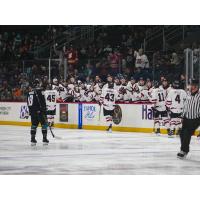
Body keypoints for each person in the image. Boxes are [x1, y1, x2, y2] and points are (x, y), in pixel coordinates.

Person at [177, 79, 200, 159]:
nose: (191, 86)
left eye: (193, 85)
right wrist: (183, 116)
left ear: (196, 86)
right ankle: (185, 150)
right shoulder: (188, 93)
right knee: (181, 133)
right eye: (190, 85)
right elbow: (186, 105)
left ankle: (183, 150)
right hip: (186, 118)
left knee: (187, 133)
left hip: (196, 118)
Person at [27, 79, 49, 146]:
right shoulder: (40, 92)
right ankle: (44, 139)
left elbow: (28, 103)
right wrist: (44, 110)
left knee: (34, 125)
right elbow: (43, 102)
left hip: (33, 112)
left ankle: (32, 139)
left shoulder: (29, 93)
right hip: (40, 111)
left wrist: (31, 111)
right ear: (38, 84)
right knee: (44, 124)